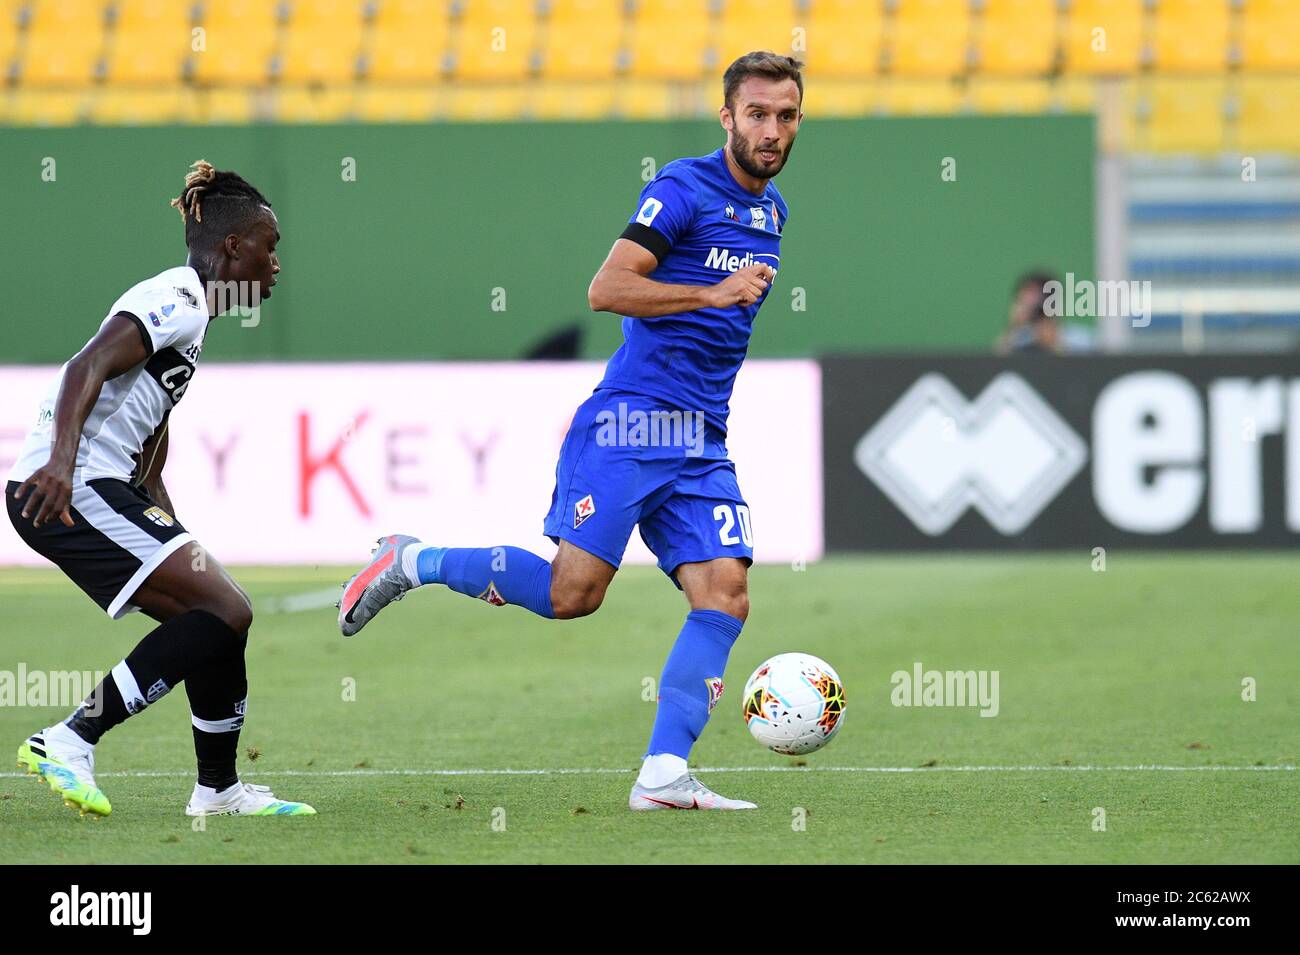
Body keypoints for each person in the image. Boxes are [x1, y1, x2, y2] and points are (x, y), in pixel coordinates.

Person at [337, 51, 803, 811]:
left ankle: (662, 773)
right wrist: (712, 292)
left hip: (701, 437)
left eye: (786, 115)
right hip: (630, 422)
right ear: (727, 118)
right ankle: (412, 559)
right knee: (573, 593)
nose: (772, 130)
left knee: (726, 591)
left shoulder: (773, 211)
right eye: (757, 113)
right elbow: (607, 288)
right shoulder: (683, 188)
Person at [7, 161, 314, 818]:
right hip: (71, 484)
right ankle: (70, 736)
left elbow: (151, 427)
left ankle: (219, 789)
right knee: (227, 608)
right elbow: (87, 363)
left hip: (98, 483)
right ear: (234, 247)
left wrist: (167, 519)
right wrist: (62, 461)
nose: (275, 265)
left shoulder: (193, 315)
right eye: (270, 247)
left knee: (212, 619)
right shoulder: (174, 297)